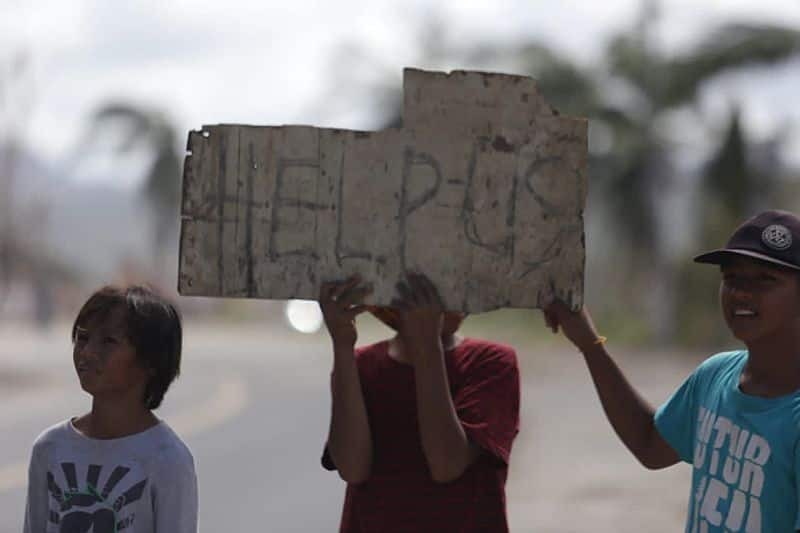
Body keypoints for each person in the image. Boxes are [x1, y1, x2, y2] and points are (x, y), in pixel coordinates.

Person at [545, 209, 800, 532]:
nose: (741, 292)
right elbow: (650, 444)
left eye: (765, 279)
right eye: (731, 278)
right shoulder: (715, 375)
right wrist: (590, 345)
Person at [319, 272, 520, 532]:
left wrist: (427, 345)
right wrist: (342, 346)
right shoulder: (360, 365)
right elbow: (352, 468)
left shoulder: (491, 362)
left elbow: (447, 463)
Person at [23, 285, 198, 533]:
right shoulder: (50, 448)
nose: (88, 352)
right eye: (83, 338)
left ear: (150, 361)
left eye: (108, 341)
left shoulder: (168, 459)